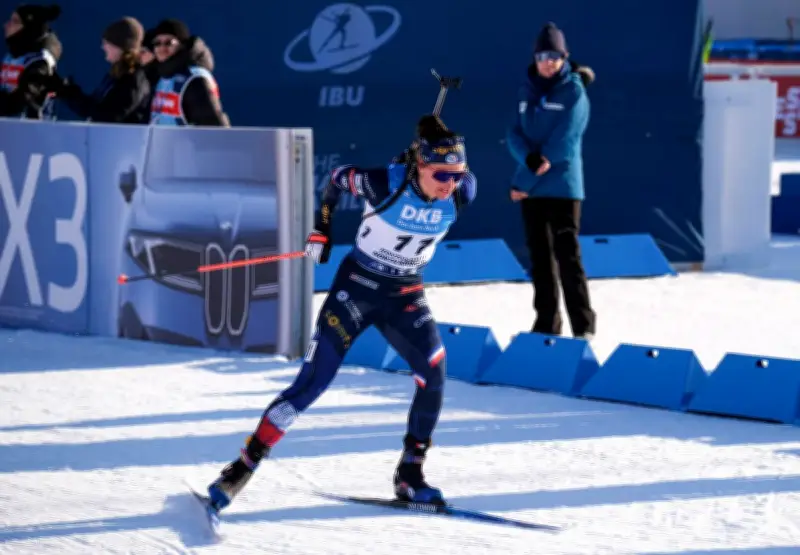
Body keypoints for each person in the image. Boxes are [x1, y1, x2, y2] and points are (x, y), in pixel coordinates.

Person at [204, 114, 478, 513]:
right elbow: (335, 179)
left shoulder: (463, 191)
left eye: (456, 175)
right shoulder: (382, 183)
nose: (449, 184)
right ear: (420, 166)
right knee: (312, 384)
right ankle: (242, 468)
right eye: (441, 175)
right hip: (357, 288)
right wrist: (322, 229)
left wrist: (438, 158)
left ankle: (410, 475)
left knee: (434, 371)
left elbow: (449, 175)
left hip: (404, 292)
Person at [507, 22, 597, 340]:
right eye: (543, 56)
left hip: (562, 189)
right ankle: (546, 324)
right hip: (532, 190)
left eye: (554, 57)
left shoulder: (574, 92)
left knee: (567, 258)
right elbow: (514, 134)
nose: (548, 63)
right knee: (540, 260)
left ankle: (583, 327)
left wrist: (523, 182)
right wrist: (527, 165)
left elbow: (563, 144)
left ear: (565, 57)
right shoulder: (526, 90)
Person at [52, 17, 151, 124]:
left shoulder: (134, 80)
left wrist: (69, 94)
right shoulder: (116, 75)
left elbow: (106, 115)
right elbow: (95, 105)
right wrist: (66, 91)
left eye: (106, 42)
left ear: (119, 46)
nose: (103, 47)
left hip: (120, 135)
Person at [147, 18, 229, 126]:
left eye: (169, 42)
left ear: (182, 45)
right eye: (157, 43)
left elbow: (213, 127)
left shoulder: (194, 79)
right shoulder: (164, 76)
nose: (162, 48)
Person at [0, 3, 61, 119]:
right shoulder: (11, 56)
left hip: (30, 128)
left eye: (15, 21)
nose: (6, 25)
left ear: (29, 27)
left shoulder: (40, 63)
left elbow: (23, 100)